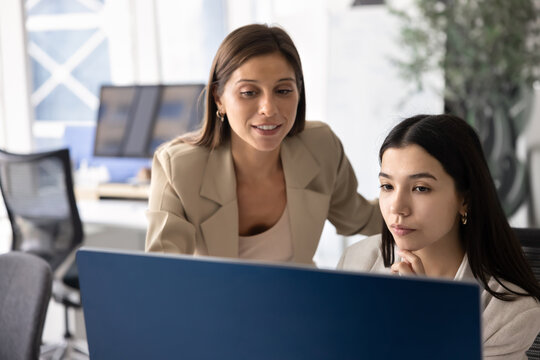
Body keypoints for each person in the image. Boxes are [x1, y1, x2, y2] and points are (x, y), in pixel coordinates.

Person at [145, 23, 382, 264]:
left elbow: (360, 217)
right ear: (219, 98)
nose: (268, 108)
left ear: (298, 92)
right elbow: (164, 273)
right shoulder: (178, 167)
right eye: (249, 92)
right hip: (216, 301)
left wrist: (416, 200)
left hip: (300, 299)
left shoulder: (320, 146)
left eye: (283, 90)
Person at [338, 114, 540, 358]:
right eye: (387, 186)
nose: (397, 207)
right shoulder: (356, 263)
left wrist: (426, 317)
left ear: (464, 199)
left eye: (421, 188)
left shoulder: (507, 310)